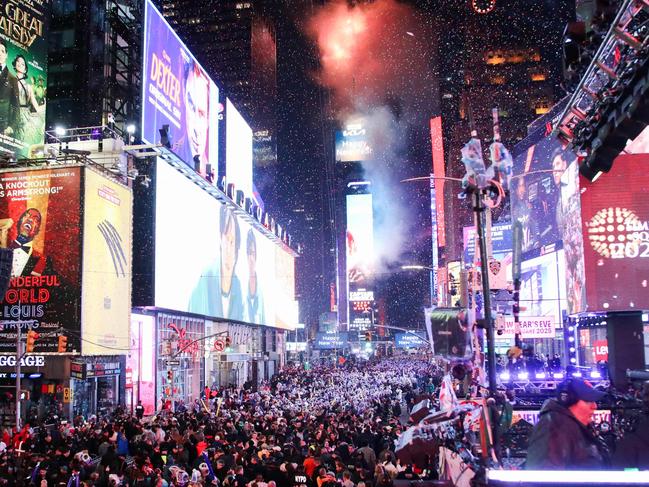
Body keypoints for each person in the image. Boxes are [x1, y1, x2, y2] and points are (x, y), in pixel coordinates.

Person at [526, 378, 608, 469]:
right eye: (588, 401)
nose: (594, 406)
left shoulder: (572, 425)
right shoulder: (554, 426)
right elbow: (544, 476)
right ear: (568, 400)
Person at [179, 59, 210, 174]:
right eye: (191, 106)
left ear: (208, 120)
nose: (196, 128)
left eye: (201, 113)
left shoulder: (214, 175)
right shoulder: (172, 152)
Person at [7, 208, 53, 277]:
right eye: (26, 215)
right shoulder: (3, 250)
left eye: (35, 219)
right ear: (19, 222)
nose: (30, 219)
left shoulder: (43, 260)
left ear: (37, 230)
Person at [12, 55, 41, 145]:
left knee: (21, 141)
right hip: (12, 113)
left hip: (25, 116)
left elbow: (36, 105)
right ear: (15, 65)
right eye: (18, 61)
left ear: (25, 70)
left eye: (23, 63)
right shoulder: (9, 81)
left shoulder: (29, 87)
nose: (20, 64)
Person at [0, 40, 19, 136]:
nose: (0, 54)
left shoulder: (12, 78)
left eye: (2, 51)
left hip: (2, 125)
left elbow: (16, 105)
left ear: (6, 55)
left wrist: (12, 126)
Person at [245, 229, 264, 324]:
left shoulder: (262, 293)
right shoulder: (240, 292)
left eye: (252, 253)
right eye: (248, 253)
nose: (250, 258)